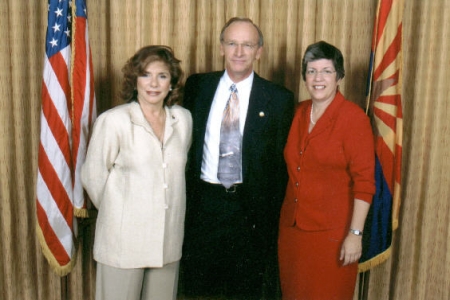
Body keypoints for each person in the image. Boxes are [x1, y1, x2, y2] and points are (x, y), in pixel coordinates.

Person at [180, 17, 295, 299]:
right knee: (198, 291)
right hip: (203, 207)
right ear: (221, 47)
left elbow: (281, 168)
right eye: (232, 43)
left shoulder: (278, 98)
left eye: (247, 45)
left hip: (250, 212)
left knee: (246, 292)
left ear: (259, 51)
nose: (239, 52)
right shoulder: (197, 87)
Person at [81, 45, 192, 300]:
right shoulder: (114, 121)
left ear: (171, 83)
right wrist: (121, 211)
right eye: (146, 75)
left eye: (162, 76)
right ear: (135, 81)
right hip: (123, 242)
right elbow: (92, 176)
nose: (153, 83)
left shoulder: (183, 120)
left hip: (167, 242)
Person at [278, 40, 376, 299]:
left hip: (333, 238)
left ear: (339, 76)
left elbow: (365, 183)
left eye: (326, 71)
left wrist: (355, 234)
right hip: (292, 235)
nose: (318, 78)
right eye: (311, 71)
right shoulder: (298, 113)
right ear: (304, 76)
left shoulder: (354, 119)